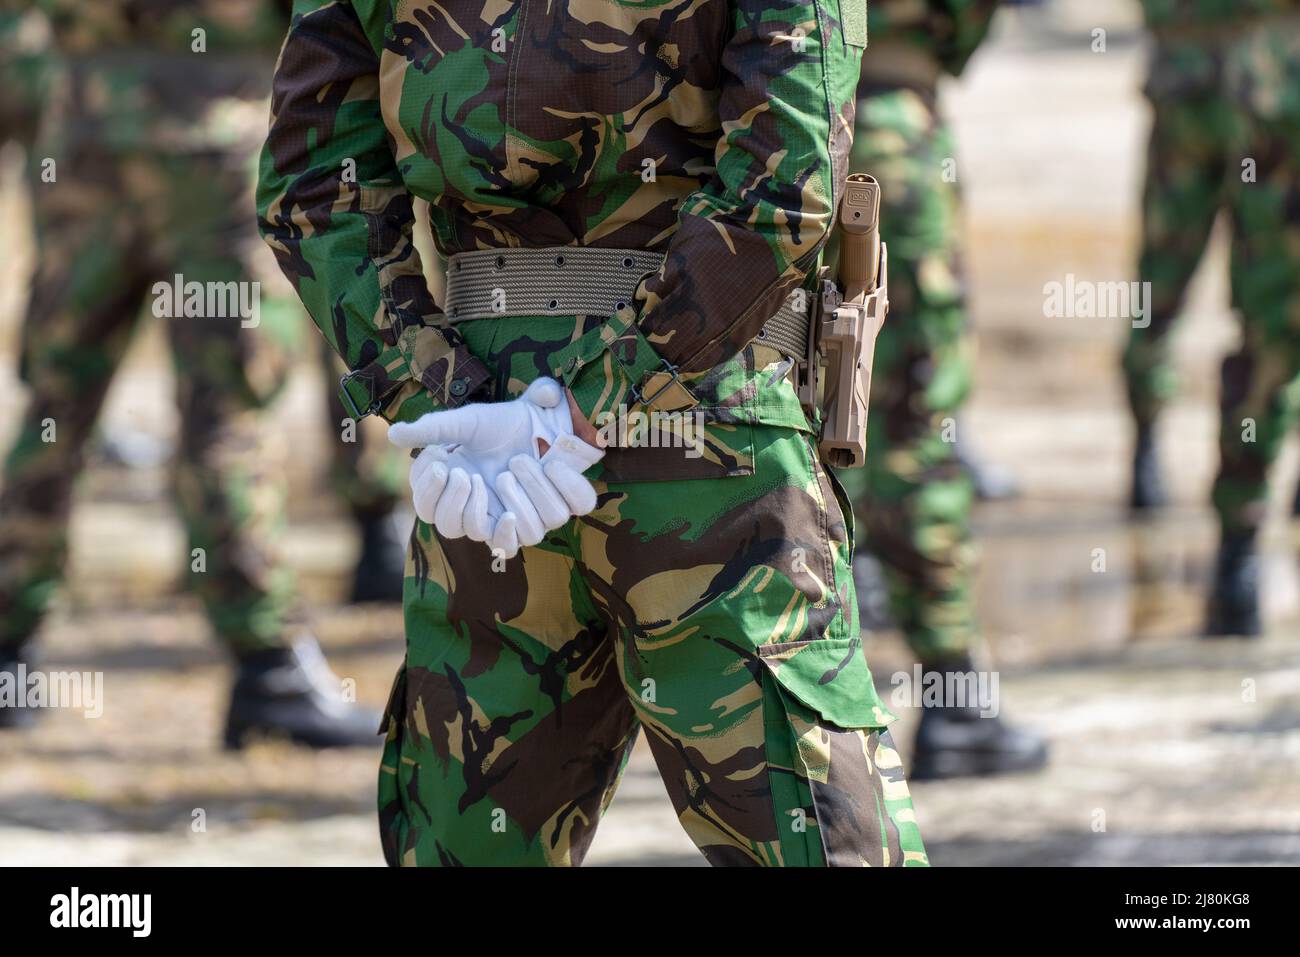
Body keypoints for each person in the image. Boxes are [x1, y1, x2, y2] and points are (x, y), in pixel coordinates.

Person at [259, 0, 929, 866]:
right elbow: (784, 188)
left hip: (489, 454)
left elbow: (311, 182)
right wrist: (584, 408)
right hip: (707, 432)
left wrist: (436, 396)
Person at [0, 0, 378, 747]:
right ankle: (267, 666)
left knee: (56, 402)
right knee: (225, 414)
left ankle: (6, 646)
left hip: (83, 143)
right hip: (215, 158)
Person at [834, 0, 1049, 779]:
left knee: (788, 399)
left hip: (765, 141)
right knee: (915, 416)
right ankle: (955, 699)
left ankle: (815, 715)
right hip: (892, 121)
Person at [1121, 0, 1300, 635]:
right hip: (1251, 87)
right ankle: (1234, 542)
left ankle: (1235, 545)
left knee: (1184, 296)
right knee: (1249, 315)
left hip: (1217, 82)